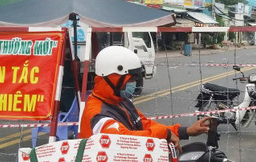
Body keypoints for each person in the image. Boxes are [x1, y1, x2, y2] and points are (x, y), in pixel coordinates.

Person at [79, 46, 211, 148]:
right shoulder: (97, 113)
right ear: (114, 78)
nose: (133, 83)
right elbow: (123, 139)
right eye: (130, 79)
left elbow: (144, 125)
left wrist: (184, 131)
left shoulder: (121, 101)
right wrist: (164, 134)